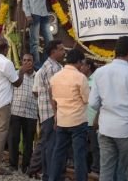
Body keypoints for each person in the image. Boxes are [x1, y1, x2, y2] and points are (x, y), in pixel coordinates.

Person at [89, 36, 128, 181]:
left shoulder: (99, 72)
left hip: (105, 130)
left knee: (106, 172)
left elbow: (92, 103)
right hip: (126, 131)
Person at [0, 38, 33, 176]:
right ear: (5, 49)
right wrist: (21, 71)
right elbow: (17, 83)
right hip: (2, 103)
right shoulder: (6, 63)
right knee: (1, 133)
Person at [49, 48, 90, 181]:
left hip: (62, 120)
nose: (82, 66)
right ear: (78, 62)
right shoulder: (81, 78)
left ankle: (53, 178)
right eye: (82, 63)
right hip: (78, 121)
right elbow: (86, 99)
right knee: (79, 155)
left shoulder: (55, 77)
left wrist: (56, 115)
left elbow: (53, 99)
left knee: (58, 153)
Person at [31, 39, 66, 181]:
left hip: (48, 112)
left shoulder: (54, 66)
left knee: (49, 145)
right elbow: (55, 92)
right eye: (61, 49)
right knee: (52, 145)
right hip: (52, 113)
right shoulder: (52, 68)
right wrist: (57, 113)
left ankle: (48, 175)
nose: (64, 52)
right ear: (53, 52)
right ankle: (51, 176)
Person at [8, 53, 38, 173]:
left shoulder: (38, 76)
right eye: (24, 60)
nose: (26, 62)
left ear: (33, 62)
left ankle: (26, 165)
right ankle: (13, 165)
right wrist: (20, 72)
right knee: (14, 139)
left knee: (28, 141)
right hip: (16, 111)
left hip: (31, 113)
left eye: (29, 60)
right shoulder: (16, 74)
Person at [80, 58, 100, 174]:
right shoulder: (82, 80)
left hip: (92, 120)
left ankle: (95, 169)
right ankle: (86, 169)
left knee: (94, 147)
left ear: (88, 67)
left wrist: (97, 119)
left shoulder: (95, 81)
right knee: (84, 147)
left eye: (83, 65)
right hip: (82, 119)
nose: (81, 67)